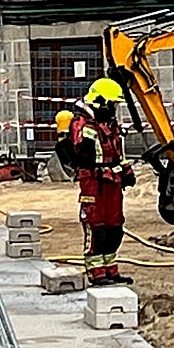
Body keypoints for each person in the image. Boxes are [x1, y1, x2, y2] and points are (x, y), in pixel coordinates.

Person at [69, 79, 136, 286]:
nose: (114, 109)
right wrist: (84, 146)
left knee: (115, 228)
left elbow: (117, 152)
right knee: (96, 227)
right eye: (112, 104)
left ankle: (111, 270)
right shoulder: (82, 124)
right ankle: (96, 272)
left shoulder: (110, 125)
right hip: (93, 182)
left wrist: (127, 171)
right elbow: (81, 151)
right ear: (100, 102)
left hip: (113, 182)